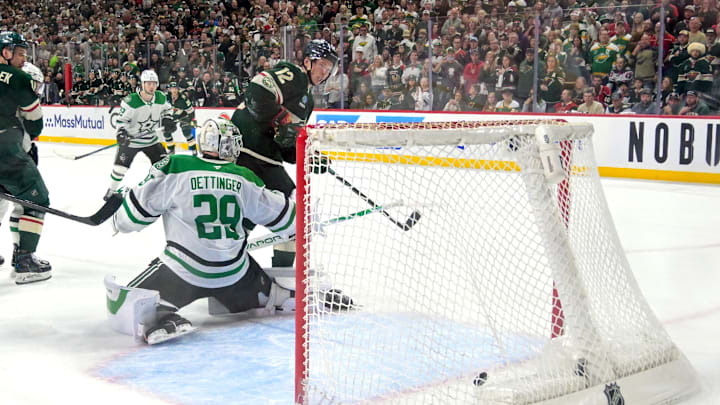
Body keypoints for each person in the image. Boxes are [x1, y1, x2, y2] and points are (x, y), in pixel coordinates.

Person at [107, 119, 298, 344]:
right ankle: (277, 296)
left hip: (183, 274)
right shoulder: (244, 177)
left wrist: (120, 211)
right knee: (249, 277)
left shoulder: (175, 166)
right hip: (235, 276)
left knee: (124, 303)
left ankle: (163, 315)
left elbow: (131, 219)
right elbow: (289, 221)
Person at [230, 39, 338, 268]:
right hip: (246, 151)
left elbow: (285, 146)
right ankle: (225, 263)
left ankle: (281, 274)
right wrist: (282, 121)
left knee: (291, 216)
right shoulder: (294, 74)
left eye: (330, 68)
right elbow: (256, 90)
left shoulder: (308, 102)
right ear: (308, 61)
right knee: (293, 213)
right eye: (323, 65)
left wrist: (306, 158)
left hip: (266, 159)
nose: (325, 72)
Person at [0, 31, 51, 283]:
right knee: (36, 198)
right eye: (19, 53)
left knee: (11, 204)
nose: (22, 58)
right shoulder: (17, 80)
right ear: (6, 52)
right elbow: (35, 122)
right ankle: (24, 261)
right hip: (6, 148)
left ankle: (18, 252)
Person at [104, 70, 175, 200]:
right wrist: (121, 133)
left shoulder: (160, 97)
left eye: (154, 83)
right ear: (142, 84)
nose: (152, 86)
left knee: (164, 166)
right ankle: (111, 191)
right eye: (148, 83)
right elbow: (122, 121)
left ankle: (164, 192)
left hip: (151, 140)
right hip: (131, 141)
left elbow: (167, 109)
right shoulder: (131, 101)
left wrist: (167, 119)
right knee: (120, 169)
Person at [166, 82, 197, 155]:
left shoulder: (183, 99)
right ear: (169, 89)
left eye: (175, 88)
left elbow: (191, 112)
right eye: (172, 88)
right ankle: (171, 150)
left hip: (184, 116)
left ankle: (194, 150)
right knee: (166, 131)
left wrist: (189, 121)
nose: (174, 90)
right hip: (172, 116)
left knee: (186, 131)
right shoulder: (166, 97)